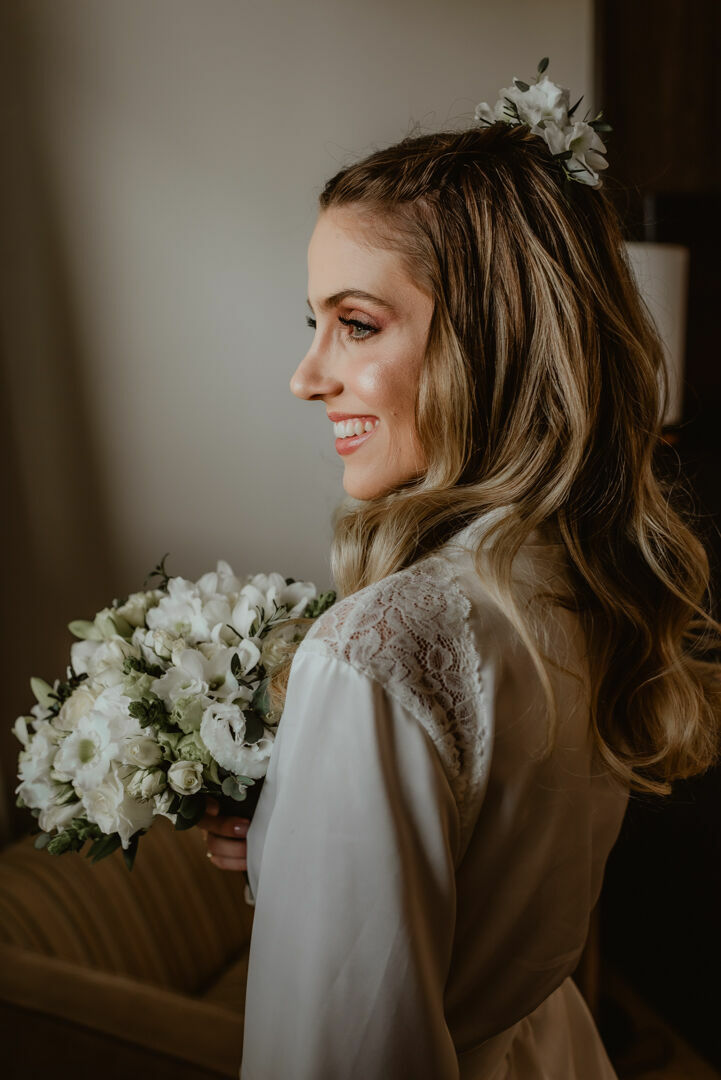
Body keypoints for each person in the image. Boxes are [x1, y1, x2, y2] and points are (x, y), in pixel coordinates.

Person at [199, 76, 721, 1079]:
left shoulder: (370, 653)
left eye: (355, 325)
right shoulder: (580, 585)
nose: (306, 376)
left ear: (487, 338)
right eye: (314, 324)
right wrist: (289, 838)